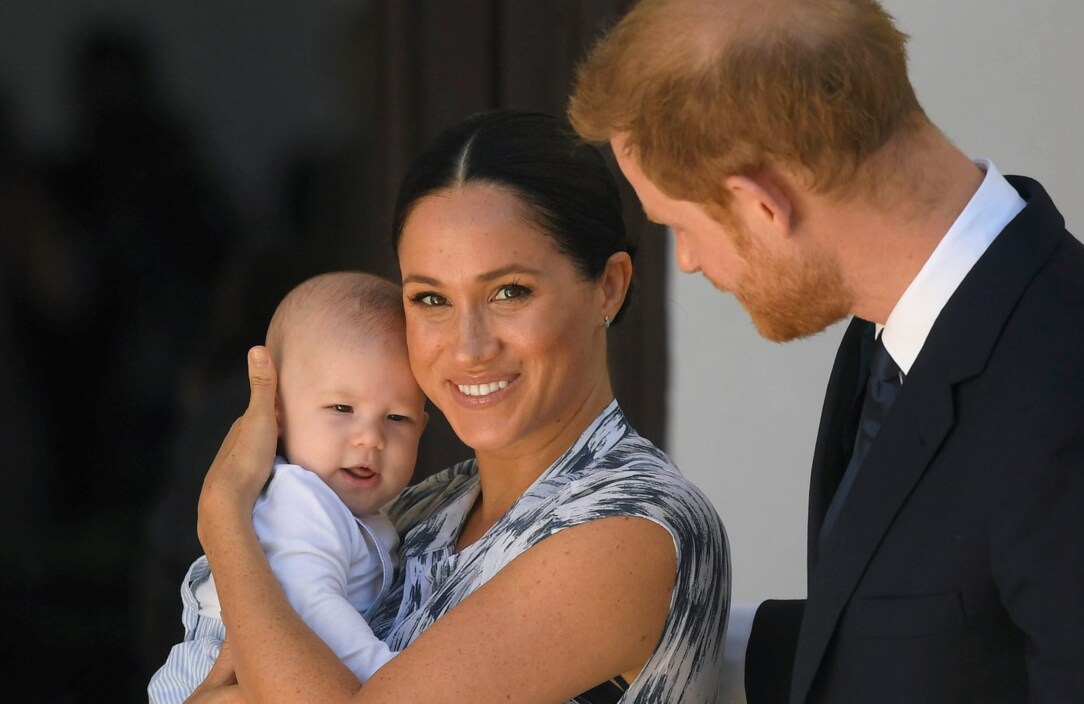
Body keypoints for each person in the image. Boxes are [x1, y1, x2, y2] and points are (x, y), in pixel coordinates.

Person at [568, 0, 1084, 702]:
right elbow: (933, 639)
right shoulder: (898, 327)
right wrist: (648, 632)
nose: (691, 260)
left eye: (679, 226)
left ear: (765, 205)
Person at [187, 110, 730, 704]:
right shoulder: (420, 509)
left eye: (509, 292)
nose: (469, 348)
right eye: (430, 298)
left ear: (610, 286)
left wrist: (223, 517)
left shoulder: (633, 525)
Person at [149, 271, 427, 702]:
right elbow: (312, 608)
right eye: (341, 408)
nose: (370, 437)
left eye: (397, 418)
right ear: (276, 413)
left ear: (423, 427)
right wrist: (389, 679)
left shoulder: (355, 511)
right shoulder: (299, 499)